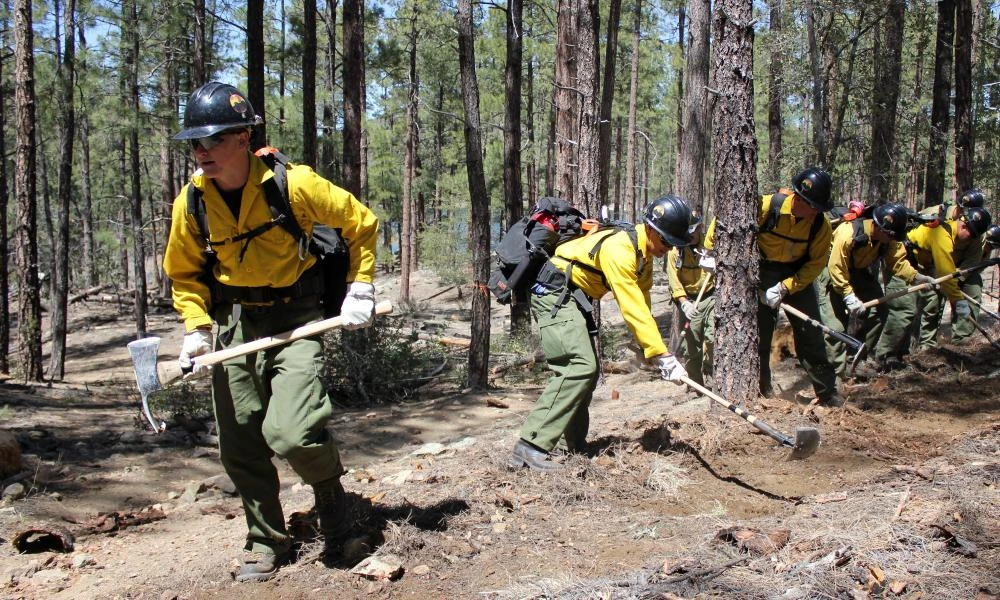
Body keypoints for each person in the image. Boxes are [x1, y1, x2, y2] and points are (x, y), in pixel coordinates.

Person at [162, 82, 379, 582]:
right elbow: (185, 272)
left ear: (243, 138)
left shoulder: (294, 184)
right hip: (234, 325)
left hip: (298, 319)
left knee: (292, 430)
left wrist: (361, 285)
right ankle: (265, 539)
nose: (201, 152)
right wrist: (196, 328)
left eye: (213, 140)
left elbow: (361, 223)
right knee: (240, 443)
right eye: (195, 143)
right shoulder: (191, 202)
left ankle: (333, 505)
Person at [508, 195, 696, 472]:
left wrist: (652, 351)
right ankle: (530, 447)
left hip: (573, 297)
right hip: (553, 294)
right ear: (653, 230)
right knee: (578, 366)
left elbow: (642, 304)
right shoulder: (621, 249)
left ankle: (568, 445)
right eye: (667, 242)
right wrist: (662, 354)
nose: (668, 249)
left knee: (588, 370)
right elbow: (629, 303)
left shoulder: (643, 255)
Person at [705, 167, 841, 406]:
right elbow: (724, 220)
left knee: (811, 335)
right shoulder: (767, 207)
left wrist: (786, 287)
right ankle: (761, 391)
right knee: (757, 336)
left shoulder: (820, 225)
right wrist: (710, 252)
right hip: (762, 273)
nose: (815, 213)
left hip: (797, 277)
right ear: (799, 198)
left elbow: (816, 263)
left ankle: (827, 393)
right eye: (813, 207)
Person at [821, 203, 931, 374]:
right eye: (891, 236)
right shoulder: (847, 233)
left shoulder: (889, 240)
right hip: (833, 273)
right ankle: (834, 373)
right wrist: (849, 297)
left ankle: (856, 359)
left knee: (878, 312)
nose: (893, 240)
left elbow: (897, 262)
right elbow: (836, 268)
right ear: (880, 228)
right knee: (836, 326)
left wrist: (915, 277)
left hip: (859, 271)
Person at [876, 206, 991, 360]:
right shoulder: (942, 236)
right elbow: (946, 273)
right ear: (964, 226)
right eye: (972, 235)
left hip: (918, 268)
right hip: (900, 263)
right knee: (904, 310)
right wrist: (958, 301)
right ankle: (884, 357)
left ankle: (910, 352)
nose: (972, 239)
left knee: (928, 302)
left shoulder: (951, 234)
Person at [666, 221, 714, 385]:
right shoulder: (675, 251)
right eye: (690, 231)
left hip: (710, 296)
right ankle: (696, 385)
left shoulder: (710, 245)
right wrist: (684, 302)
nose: (694, 234)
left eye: (697, 229)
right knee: (691, 347)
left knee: (714, 337)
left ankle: (711, 370)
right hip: (689, 300)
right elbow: (674, 281)